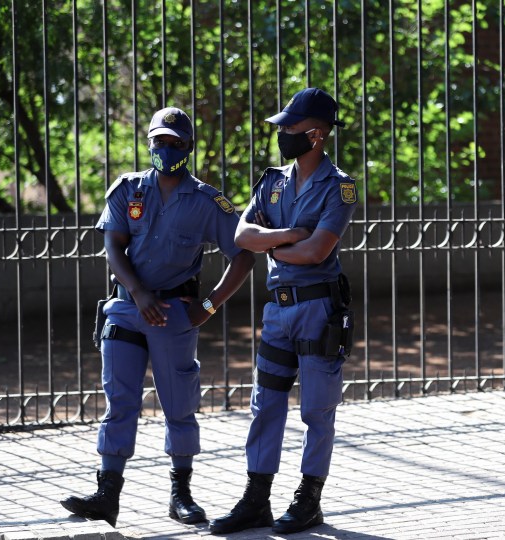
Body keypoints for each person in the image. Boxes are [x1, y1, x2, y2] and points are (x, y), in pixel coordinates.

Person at [60, 106, 255, 527]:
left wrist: (209, 305)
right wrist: (137, 291)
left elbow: (243, 255)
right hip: (127, 310)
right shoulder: (128, 190)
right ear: (149, 143)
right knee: (120, 401)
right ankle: (107, 493)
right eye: (159, 142)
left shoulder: (207, 201)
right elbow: (113, 245)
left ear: (188, 147)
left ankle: (180, 493)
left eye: (174, 143)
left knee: (178, 404)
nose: (165, 150)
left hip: (174, 315)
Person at [210, 88, 357, 535]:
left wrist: (275, 241)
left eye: (289, 128)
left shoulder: (340, 187)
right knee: (266, 405)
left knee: (317, 410)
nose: (281, 134)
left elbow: (317, 253)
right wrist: (292, 234)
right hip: (278, 310)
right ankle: (256, 499)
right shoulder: (272, 181)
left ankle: (308, 499)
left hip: (317, 310)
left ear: (315, 134)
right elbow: (242, 235)